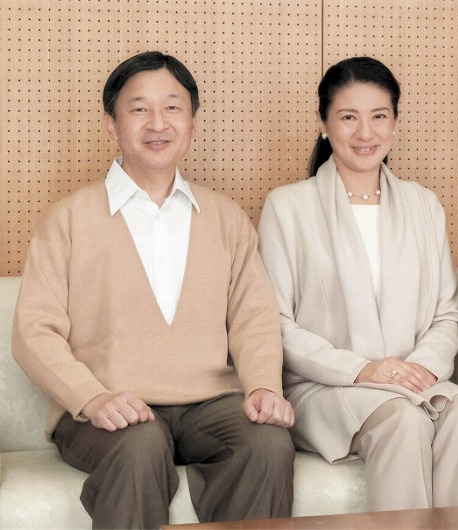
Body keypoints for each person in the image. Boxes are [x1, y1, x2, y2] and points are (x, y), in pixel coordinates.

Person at [12, 51, 295, 528]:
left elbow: (255, 319)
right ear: (111, 123)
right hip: (105, 408)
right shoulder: (68, 219)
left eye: (172, 107)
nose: (158, 123)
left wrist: (264, 385)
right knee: (139, 446)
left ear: (193, 122)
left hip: (211, 405)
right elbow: (33, 333)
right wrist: (92, 397)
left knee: (267, 443)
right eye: (139, 109)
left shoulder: (226, 218)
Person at [257, 56, 458, 511]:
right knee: (403, 420)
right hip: (326, 388)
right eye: (348, 117)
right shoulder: (288, 207)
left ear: (395, 123)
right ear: (324, 123)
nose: (365, 133)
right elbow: (275, 323)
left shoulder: (423, 205)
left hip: (415, 380)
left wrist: (421, 368)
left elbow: (447, 312)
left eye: (379, 117)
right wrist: (362, 370)